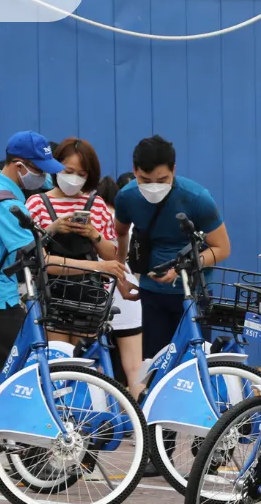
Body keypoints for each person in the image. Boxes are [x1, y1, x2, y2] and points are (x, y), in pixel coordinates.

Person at [0, 132, 67, 425]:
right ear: (19, 165)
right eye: (39, 170)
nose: (43, 178)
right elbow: (34, 258)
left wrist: (48, 229)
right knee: (26, 378)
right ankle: (32, 461)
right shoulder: (5, 204)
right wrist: (98, 267)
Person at [113, 135, 230, 361]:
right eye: (145, 181)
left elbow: (222, 248)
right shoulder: (126, 197)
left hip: (194, 294)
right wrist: (122, 273)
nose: (154, 187)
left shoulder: (197, 198)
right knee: (154, 363)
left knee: (194, 363)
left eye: (163, 179)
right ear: (134, 171)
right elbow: (120, 231)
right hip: (150, 294)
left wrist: (182, 268)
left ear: (174, 170)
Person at [24, 138, 120, 344]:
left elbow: (112, 255)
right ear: (56, 167)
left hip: (90, 297)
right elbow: (39, 258)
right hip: (51, 297)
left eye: (81, 174)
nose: (74, 178)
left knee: (86, 361)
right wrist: (53, 228)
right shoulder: (37, 203)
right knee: (59, 359)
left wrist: (93, 233)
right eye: (68, 171)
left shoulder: (97, 204)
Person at [97, 176, 143, 396]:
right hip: (128, 295)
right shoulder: (127, 221)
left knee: (96, 366)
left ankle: (104, 422)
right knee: (135, 367)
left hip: (95, 293)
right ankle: (142, 422)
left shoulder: (92, 218)